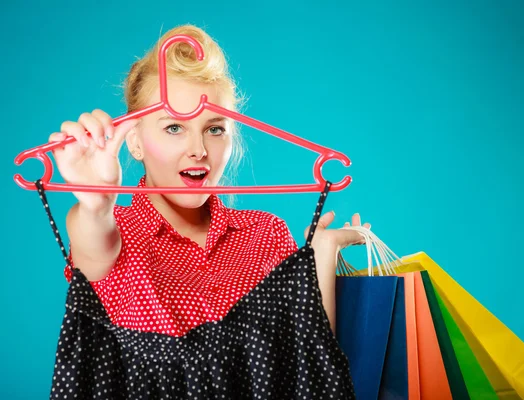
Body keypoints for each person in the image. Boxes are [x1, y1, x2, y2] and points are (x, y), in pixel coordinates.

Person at [48, 24, 370, 340]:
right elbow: (93, 248)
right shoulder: (116, 232)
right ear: (134, 141)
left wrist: (320, 254)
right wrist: (96, 205)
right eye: (174, 128)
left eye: (214, 129)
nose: (198, 151)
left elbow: (310, 366)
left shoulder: (267, 234)